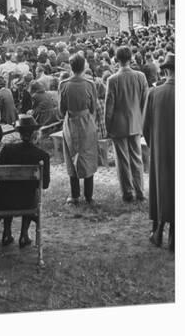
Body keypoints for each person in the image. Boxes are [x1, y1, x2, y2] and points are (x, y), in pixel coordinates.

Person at [0, 115, 50, 247]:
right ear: (35, 134)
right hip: (27, 201)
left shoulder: (7, 149)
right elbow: (45, 184)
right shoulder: (42, 155)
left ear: (19, 133)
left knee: (8, 189)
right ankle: (24, 234)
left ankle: (6, 233)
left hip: (3, 200)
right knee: (29, 192)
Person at [105, 46, 148, 202]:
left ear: (117, 59)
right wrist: (143, 122)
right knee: (137, 158)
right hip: (136, 123)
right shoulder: (140, 77)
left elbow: (108, 107)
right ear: (131, 58)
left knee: (122, 160)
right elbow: (145, 102)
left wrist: (107, 127)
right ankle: (140, 191)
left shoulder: (113, 79)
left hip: (118, 124)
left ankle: (128, 193)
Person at [143, 53, 175, 252]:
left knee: (160, 188)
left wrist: (154, 142)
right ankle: (174, 236)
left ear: (166, 70)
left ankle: (158, 231)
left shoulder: (154, 93)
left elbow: (145, 126)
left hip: (160, 148)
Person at [58, 53, 98, 205]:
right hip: (87, 122)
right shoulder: (90, 84)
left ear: (71, 66)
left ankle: (75, 195)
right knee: (88, 155)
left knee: (71, 154)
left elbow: (61, 111)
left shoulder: (63, 84)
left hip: (71, 122)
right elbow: (93, 107)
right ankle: (89, 195)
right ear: (84, 66)